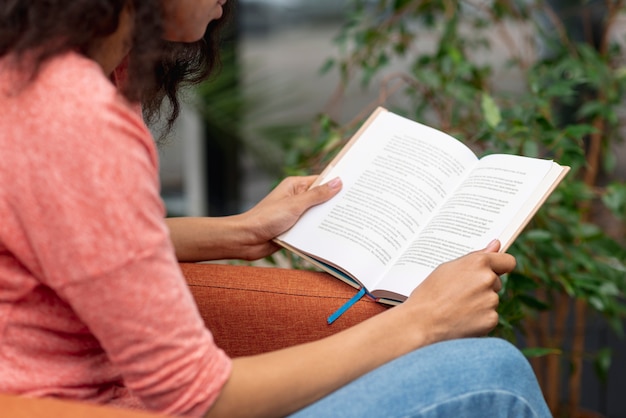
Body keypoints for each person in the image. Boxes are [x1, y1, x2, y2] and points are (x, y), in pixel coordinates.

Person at [0, 1, 552, 417]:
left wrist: (237, 233)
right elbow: (200, 397)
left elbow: (71, 236)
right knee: (493, 376)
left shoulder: (51, 72)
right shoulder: (76, 120)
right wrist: (424, 320)